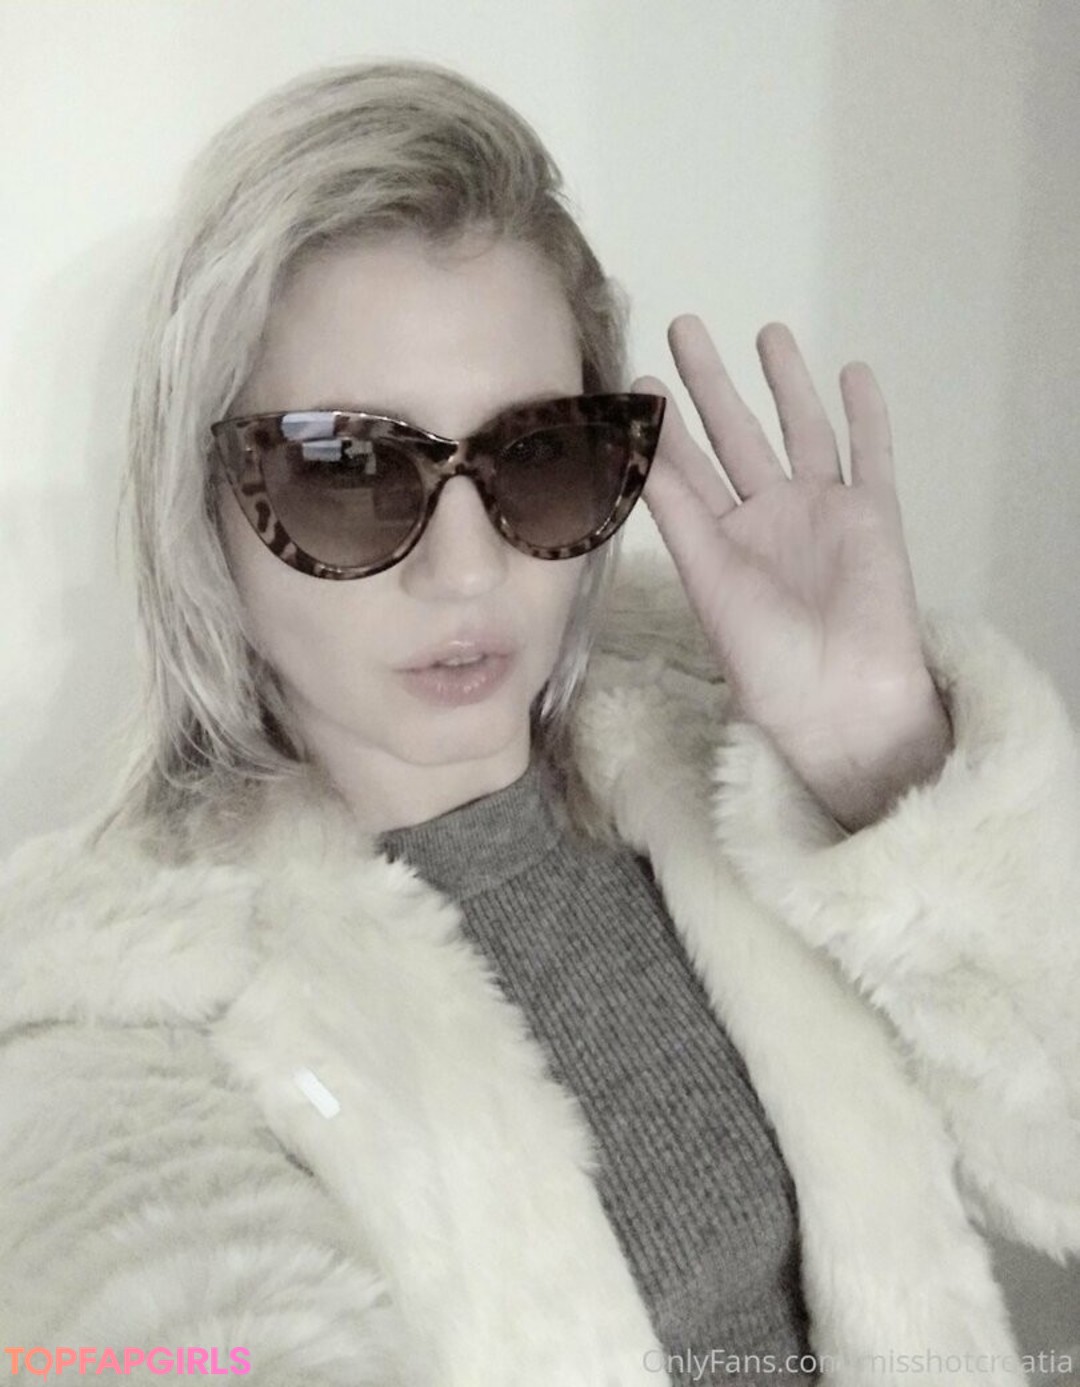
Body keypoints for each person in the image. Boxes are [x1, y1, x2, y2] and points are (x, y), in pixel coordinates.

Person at [1, 58, 1077, 1387]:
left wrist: (879, 756)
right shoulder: (127, 1003)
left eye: (540, 455)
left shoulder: (735, 777)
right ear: (200, 508)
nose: (465, 572)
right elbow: (148, 1304)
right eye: (348, 471)